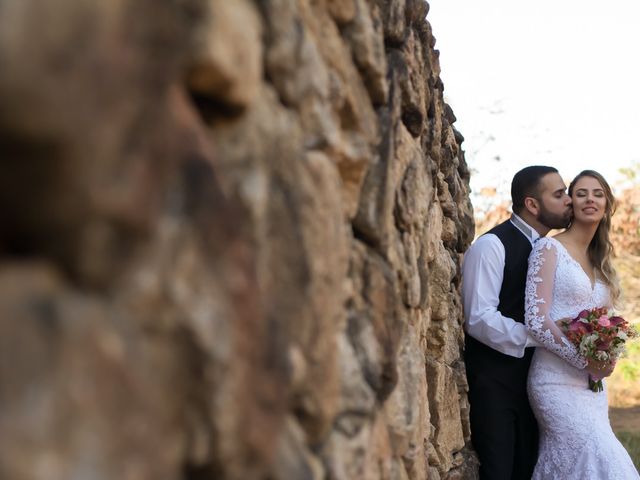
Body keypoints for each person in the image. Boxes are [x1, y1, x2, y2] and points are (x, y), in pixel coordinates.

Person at [462, 165, 576, 479]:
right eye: (559, 194)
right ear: (532, 205)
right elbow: (478, 318)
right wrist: (542, 336)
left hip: (538, 385)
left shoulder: (552, 251)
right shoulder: (491, 246)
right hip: (495, 386)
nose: (568, 201)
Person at [525, 170, 639, 479]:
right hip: (554, 382)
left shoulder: (602, 261)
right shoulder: (548, 249)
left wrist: (608, 356)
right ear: (571, 203)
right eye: (582, 193)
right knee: (603, 455)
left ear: (606, 206)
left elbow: (607, 325)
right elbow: (536, 320)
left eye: (598, 194)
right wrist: (584, 360)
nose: (590, 199)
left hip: (593, 388)